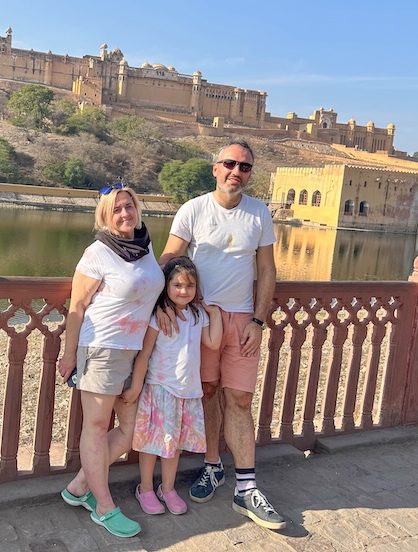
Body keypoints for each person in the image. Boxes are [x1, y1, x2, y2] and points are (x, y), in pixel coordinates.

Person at [158, 139, 285, 530]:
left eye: (244, 167)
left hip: (244, 320)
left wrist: (259, 322)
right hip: (201, 319)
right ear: (215, 168)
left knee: (241, 399)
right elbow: (170, 259)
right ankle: (213, 465)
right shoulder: (193, 209)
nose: (237, 172)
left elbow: (266, 271)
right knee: (208, 392)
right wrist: (160, 302)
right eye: (230, 164)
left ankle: (246, 488)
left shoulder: (259, 212)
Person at [57, 184, 165, 539]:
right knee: (97, 426)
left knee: (129, 431)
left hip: (133, 352)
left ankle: (78, 487)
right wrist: (69, 354)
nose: (124, 214)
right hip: (101, 348)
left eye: (129, 206)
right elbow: (77, 307)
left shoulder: (145, 245)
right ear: (105, 216)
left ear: (137, 209)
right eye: (116, 209)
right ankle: (103, 507)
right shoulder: (97, 253)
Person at [122, 256, 223, 516]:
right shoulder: (160, 317)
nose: (183, 291)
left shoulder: (197, 315)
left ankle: (167, 488)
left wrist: (216, 314)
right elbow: (144, 354)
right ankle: (145, 488)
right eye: (177, 285)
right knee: (152, 444)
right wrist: (135, 387)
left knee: (173, 445)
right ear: (166, 286)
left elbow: (212, 342)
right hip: (160, 388)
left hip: (186, 392)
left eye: (189, 286)